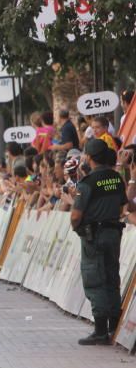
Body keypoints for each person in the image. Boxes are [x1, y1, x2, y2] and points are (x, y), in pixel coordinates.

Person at [71, 139, 126, 345]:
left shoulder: (86, 183)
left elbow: (76, 215)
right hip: (114, 233)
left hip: (94, 235)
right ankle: (114, 325)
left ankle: (100, 331)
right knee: (112, 276)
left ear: (89, 157)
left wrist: (77, 228)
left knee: (95, 279)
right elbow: (123, 207)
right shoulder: (117, 178)